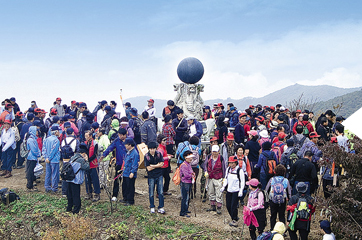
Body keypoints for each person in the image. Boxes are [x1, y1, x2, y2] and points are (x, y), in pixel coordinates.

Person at [100, 128, 127, 202]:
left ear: (125, 135)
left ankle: (125, 196)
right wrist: (104, 155)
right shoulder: (116, 141)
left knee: (126, 180)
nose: (121, 136)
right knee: (117, 180)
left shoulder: (129, 141)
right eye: (120, 135)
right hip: (119, 164)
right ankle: (114, 195)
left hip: (128, 164)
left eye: (123, 135)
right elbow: (110, 148)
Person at [265, 165, 292, 230]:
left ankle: (272, 229)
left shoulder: (272, 179)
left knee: (273, 215)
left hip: (273, 200)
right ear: (284, 172)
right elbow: (289, 192)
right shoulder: (285, 180)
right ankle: (282, 230)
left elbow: (266, 189)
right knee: (282, 215)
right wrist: (290, 200)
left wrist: (266, 199)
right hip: (282, 200)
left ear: (275, 172)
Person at [221, 156, 245, 227]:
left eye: (232, 163)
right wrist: (223, 186)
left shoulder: (239, 171)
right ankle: (234, 217)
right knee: (228, 205)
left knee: (233, 206)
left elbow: (242, 181)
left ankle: (235, 219)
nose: (231, 164)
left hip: (236, 191)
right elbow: (226, 178)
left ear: (235, 162)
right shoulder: (228, 169)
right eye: (230, 163)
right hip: (229, 190)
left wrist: (241, 190)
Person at [66, 143, 90, 214]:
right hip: (75, 179)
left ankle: (69, 208)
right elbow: (87, 167)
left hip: (69, 178)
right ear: (83, 153)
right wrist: (86, 160)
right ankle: (76, 210)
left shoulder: (73, 157)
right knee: (76, 195)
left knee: (69, 194)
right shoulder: (80, 160)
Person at [144, 141, 165, 214]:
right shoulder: (146, 156)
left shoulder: (159, 154)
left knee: (161, 192)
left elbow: (162, 164)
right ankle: (152, 206)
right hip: (151, 176)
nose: (152, 150)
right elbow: (148, 168)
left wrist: (152, 165)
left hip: (159, 175)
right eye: (151, 149)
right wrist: (157, 165)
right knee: (151, 192)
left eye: (153, 149)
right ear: (149, 149)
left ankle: (161, 207)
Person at [205, 145, 224, 214]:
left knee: (219, 192)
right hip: (210, 177)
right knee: (211, 191)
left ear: (218, 151)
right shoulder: (209, 157)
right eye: (213, 151)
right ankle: (212, 206)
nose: (214, 153)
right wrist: (205, 172)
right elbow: (205, 165)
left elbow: (223, 168)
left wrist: (224, 177)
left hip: (218, 177)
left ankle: (219, 207)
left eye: (216, 152)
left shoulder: (221, 158)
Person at [60, 127, 80, 197]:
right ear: (73, 133)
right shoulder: (76, 141)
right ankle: (71, 191)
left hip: (65, 160)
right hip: (72, 160)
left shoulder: (63, 141)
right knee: (72, 175)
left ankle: (64, 192)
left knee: (65, 174)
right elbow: (78, 151)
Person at [42, 125, 61, 193]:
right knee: (55, 174)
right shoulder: (56, 140)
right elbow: (54, 150)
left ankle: (47, 186)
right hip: (54, 160)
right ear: (56, 132)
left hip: (47, 160)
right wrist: (49, 158)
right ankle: (54, 188)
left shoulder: (47, 139)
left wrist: (46, 157)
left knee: (48, 173)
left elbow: (44, 149)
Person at [84, 130, 101, 202]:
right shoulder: (85, 143)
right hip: (86, 164)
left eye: (87, 136)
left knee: (95, 179)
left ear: (90, 136)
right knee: (87, 179)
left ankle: (97, 193)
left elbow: (95, 154)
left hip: (93, 164)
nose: (85, 137)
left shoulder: (95, 143)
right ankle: (88, 192)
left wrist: (89, 159)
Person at [122, 138, 139, 206]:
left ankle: (130, 200)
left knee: (130, 187)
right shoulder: (128, 152)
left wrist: (132, 172)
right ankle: (125, 198)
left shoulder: (135, 153)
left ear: (130, 145)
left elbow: (135, 164)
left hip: (130, 173)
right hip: (126, 172)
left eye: (126, 144)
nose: (125, 146)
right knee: (125, 186)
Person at [179, 150, 195, 217]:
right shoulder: (184, 165)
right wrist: (192, 175)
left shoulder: (188, 164)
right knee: (185, 197)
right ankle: (183, 211)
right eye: (189, 157)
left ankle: (186, 209)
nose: (191, 158)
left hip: (188, 182)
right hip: (185, 182)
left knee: (187, 197)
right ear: (185, 157)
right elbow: (186, 175)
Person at [26, 126, 41, 191]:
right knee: (30, 172)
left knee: (31, 171)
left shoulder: (33, 139)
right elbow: (34, 149)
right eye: (36, 130)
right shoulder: (31, 140)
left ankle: (31, 185)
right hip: (31, 157)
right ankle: (30, 186)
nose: (37, 132)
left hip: (33, 157)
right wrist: (38, 154)